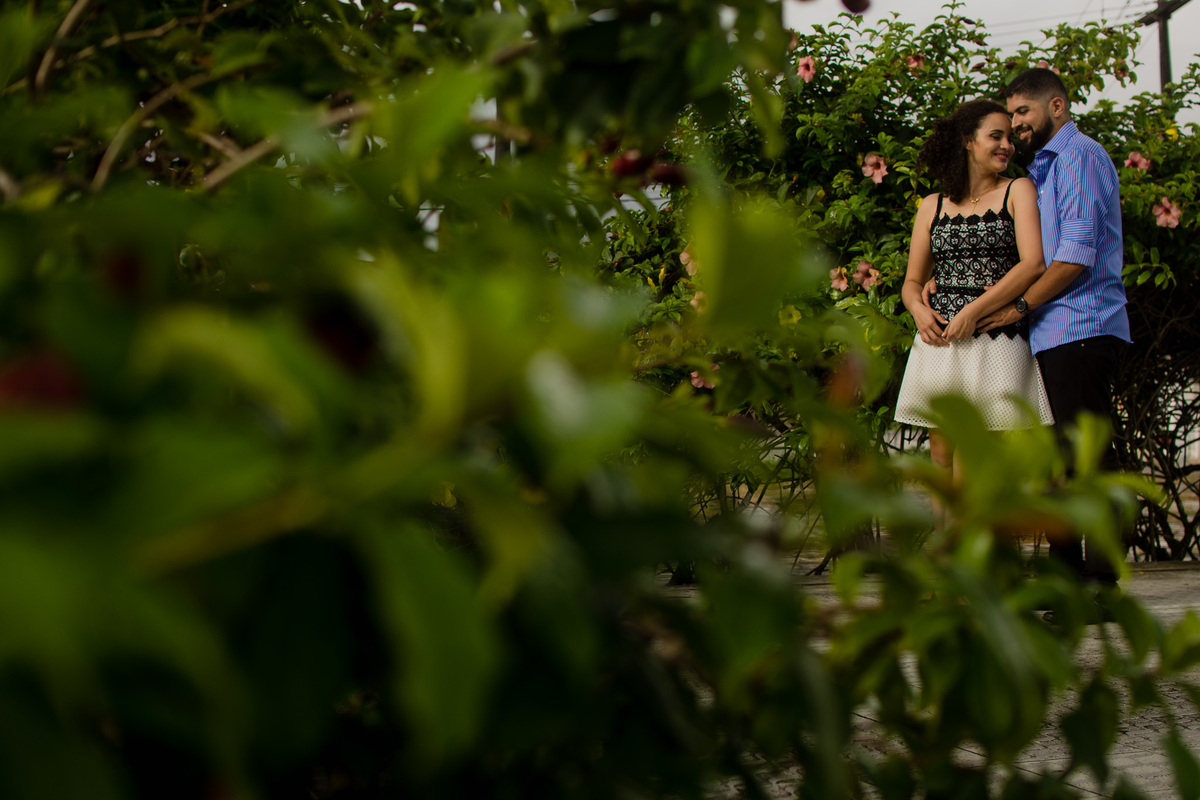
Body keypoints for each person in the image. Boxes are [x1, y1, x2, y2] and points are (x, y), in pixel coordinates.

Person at [953, 69, 1131, 596]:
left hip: (1082, 323)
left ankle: (1100, 580)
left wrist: (1020, 306)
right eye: (1010, 120)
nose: (1017, 127)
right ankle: (1067, 577)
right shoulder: (1047, 171)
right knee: (1061, 459)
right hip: (1054, 331)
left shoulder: (1079, 157)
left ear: (1056, 107)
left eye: (1023, 114)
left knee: (1088, 456)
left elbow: (1075, 257)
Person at [894, 99, 1053, 521]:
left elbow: (1033, 263)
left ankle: (971, 566)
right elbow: (912, 282)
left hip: (993, 339)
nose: (1006, 146)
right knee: (942, 456)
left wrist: (974, 310)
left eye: (1009, 138)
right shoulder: (933, 205)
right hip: (940, 342)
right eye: (994, 136)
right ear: (968, 141)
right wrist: (917, 311)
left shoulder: (1018, 190)